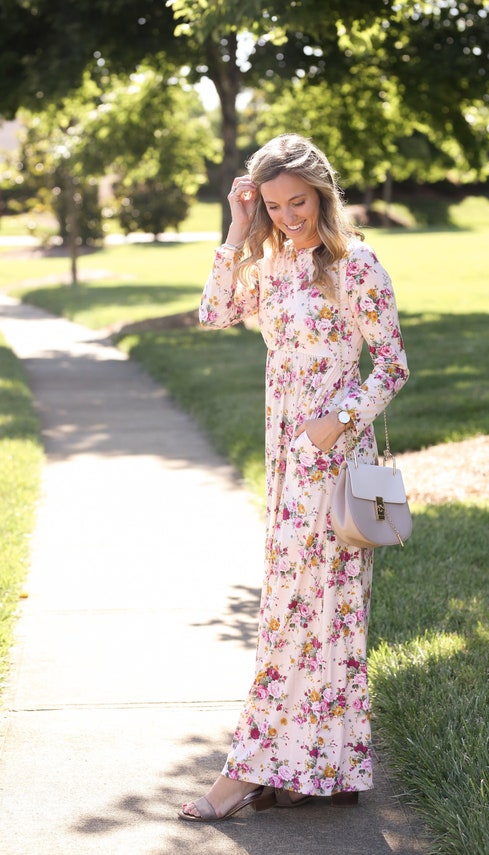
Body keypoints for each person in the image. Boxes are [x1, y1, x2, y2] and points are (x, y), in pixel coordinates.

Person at [179, 134, 409, 822]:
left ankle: (245, 773)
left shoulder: (356, 263)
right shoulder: (273, 266)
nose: (288, 215)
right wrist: (238, 226)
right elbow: (213, 312)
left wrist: (337, 420)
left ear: (323, 195)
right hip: (286, 459)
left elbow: (391, 366)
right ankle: (322, 768)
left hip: (335, 460)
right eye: (275, 204)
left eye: (298, 202)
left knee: (304, 615)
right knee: (304, 613)